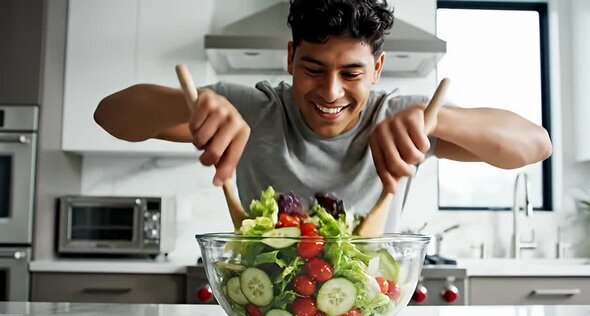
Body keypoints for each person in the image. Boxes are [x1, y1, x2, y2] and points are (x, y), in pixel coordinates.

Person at [93, 0, 552, 231]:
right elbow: (109, 116)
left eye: (351, 72)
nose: (331, 92)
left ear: (377, 68)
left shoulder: (401, 118)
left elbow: (535, 145)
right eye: (313, 69)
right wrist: (188, 104)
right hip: (270, 313)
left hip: (369, 310)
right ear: (291, 57)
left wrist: (436, 121)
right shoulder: (252, 109)